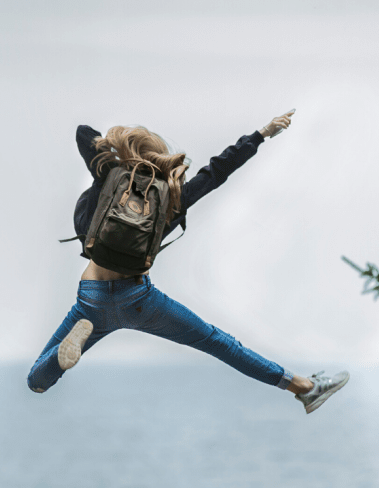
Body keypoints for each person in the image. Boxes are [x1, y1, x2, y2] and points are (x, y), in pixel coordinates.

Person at [27, 110, 349, 414]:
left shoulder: (109, 175)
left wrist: (119, 150)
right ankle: (304, 388)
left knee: (36, 382)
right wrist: (262, 133)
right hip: (139, 300)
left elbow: (84, 133)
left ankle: (59, 358)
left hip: (92, 297)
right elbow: (217, 171)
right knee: (218, 343)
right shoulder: (171, 196)